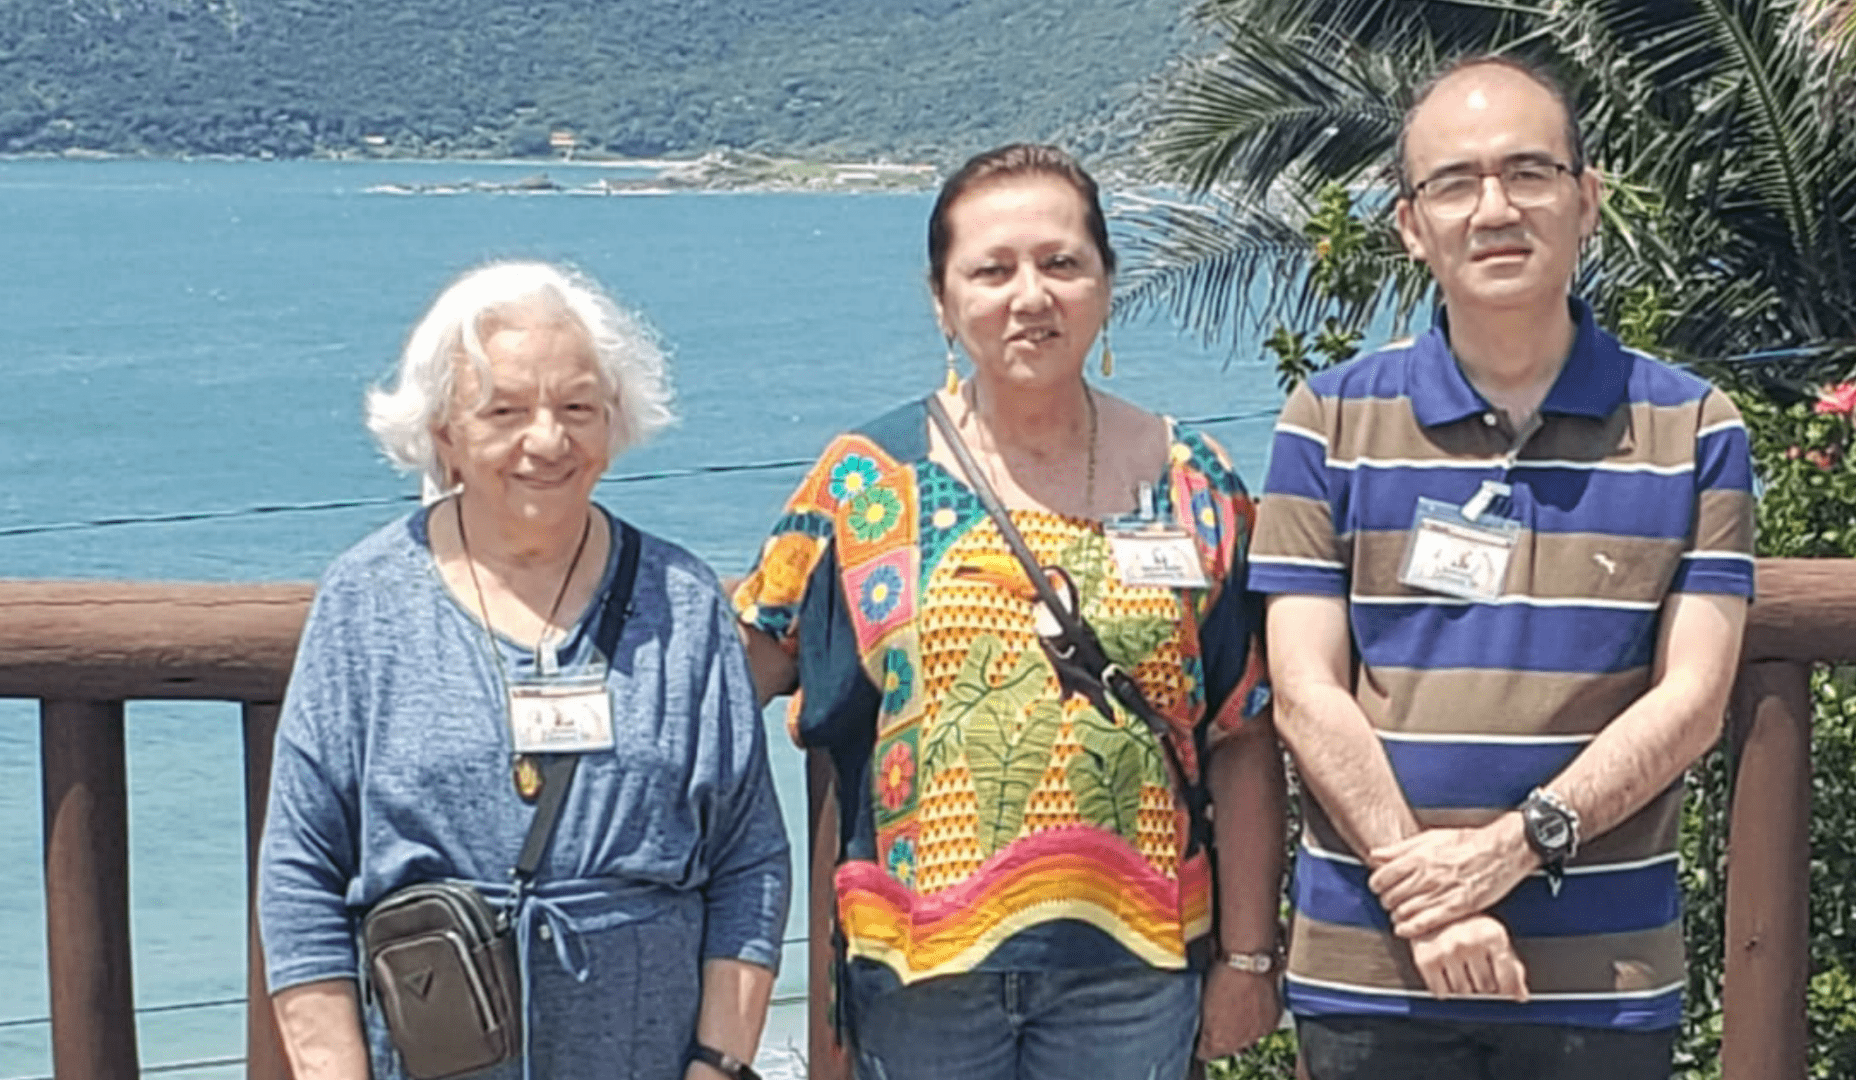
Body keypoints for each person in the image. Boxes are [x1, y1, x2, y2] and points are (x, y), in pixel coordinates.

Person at [733, 144, 1286, 1080]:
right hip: (918, 981)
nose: (1030, 295)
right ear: (944, 303)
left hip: (1136, 970)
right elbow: (737, 670)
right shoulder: (866, 482)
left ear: (1105, 286)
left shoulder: (1193, 482)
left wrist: (1246, 959)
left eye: (1060, 263)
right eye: (991, 270)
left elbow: (1244, 732)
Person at [1250, 57, 1754, 1079]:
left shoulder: (1695, 426)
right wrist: (1429, 902)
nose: (1495, 209)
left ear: (1587, 200)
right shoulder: (1328, 420)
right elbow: (1306, 694)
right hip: (1372, 966)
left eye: (1530, 173)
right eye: (1456, 182)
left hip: (1599, 977)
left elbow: (1695, 699)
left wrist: (1509, 850)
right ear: (1408, 224)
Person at [257, 261, 791, 1080]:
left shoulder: (682, 600)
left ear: (614, 424)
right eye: (504, 412)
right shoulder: (367, 600)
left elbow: (748, 856)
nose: (547, 440)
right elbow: (301, 868)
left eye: (578, 408)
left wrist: (718, 1063)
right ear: (443, 433)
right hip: (434, 1049)